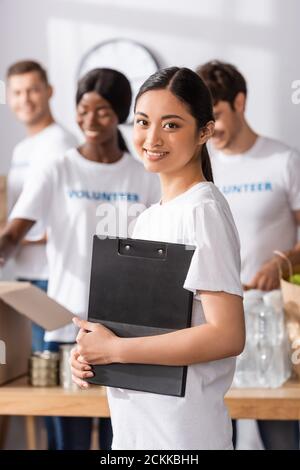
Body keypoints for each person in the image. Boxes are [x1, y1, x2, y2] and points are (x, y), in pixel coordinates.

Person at [71, 67, 245, 450]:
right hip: (136, 431)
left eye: (171, 125)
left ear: (204, 131)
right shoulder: (150, 217)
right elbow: (141, 329)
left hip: (183, 435)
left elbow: (228, 334)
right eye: (143, 122)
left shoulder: (203, 209)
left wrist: (116, 349)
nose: (151, 138)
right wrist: (90, 351)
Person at [0, 67, 160, 450]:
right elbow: (13, 234)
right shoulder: (58, 168)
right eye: (82, 110)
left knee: (118, 438)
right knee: (66, 437)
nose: (89, 121)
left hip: (124, 330)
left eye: (102, 112)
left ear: (120, 114)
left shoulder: (143, 176)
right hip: (64, 325)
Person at [197, 60, 300, 450]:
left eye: (217, 115)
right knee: (216, 429)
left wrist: (282, 262)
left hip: (272, 319)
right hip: (211, 317)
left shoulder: (283, 160)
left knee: (278, 430)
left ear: (239, 101)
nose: (212, 128)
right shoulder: (201, 167)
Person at [6, 60, 77, 353]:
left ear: (49, 91)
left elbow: (72, 217)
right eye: (18, 92)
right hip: (26, 273)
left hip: (51, 275)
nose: (25, 99)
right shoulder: (22, 149)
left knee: (47, 368)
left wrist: (13, 238)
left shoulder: (61, 144)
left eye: (33, 90)